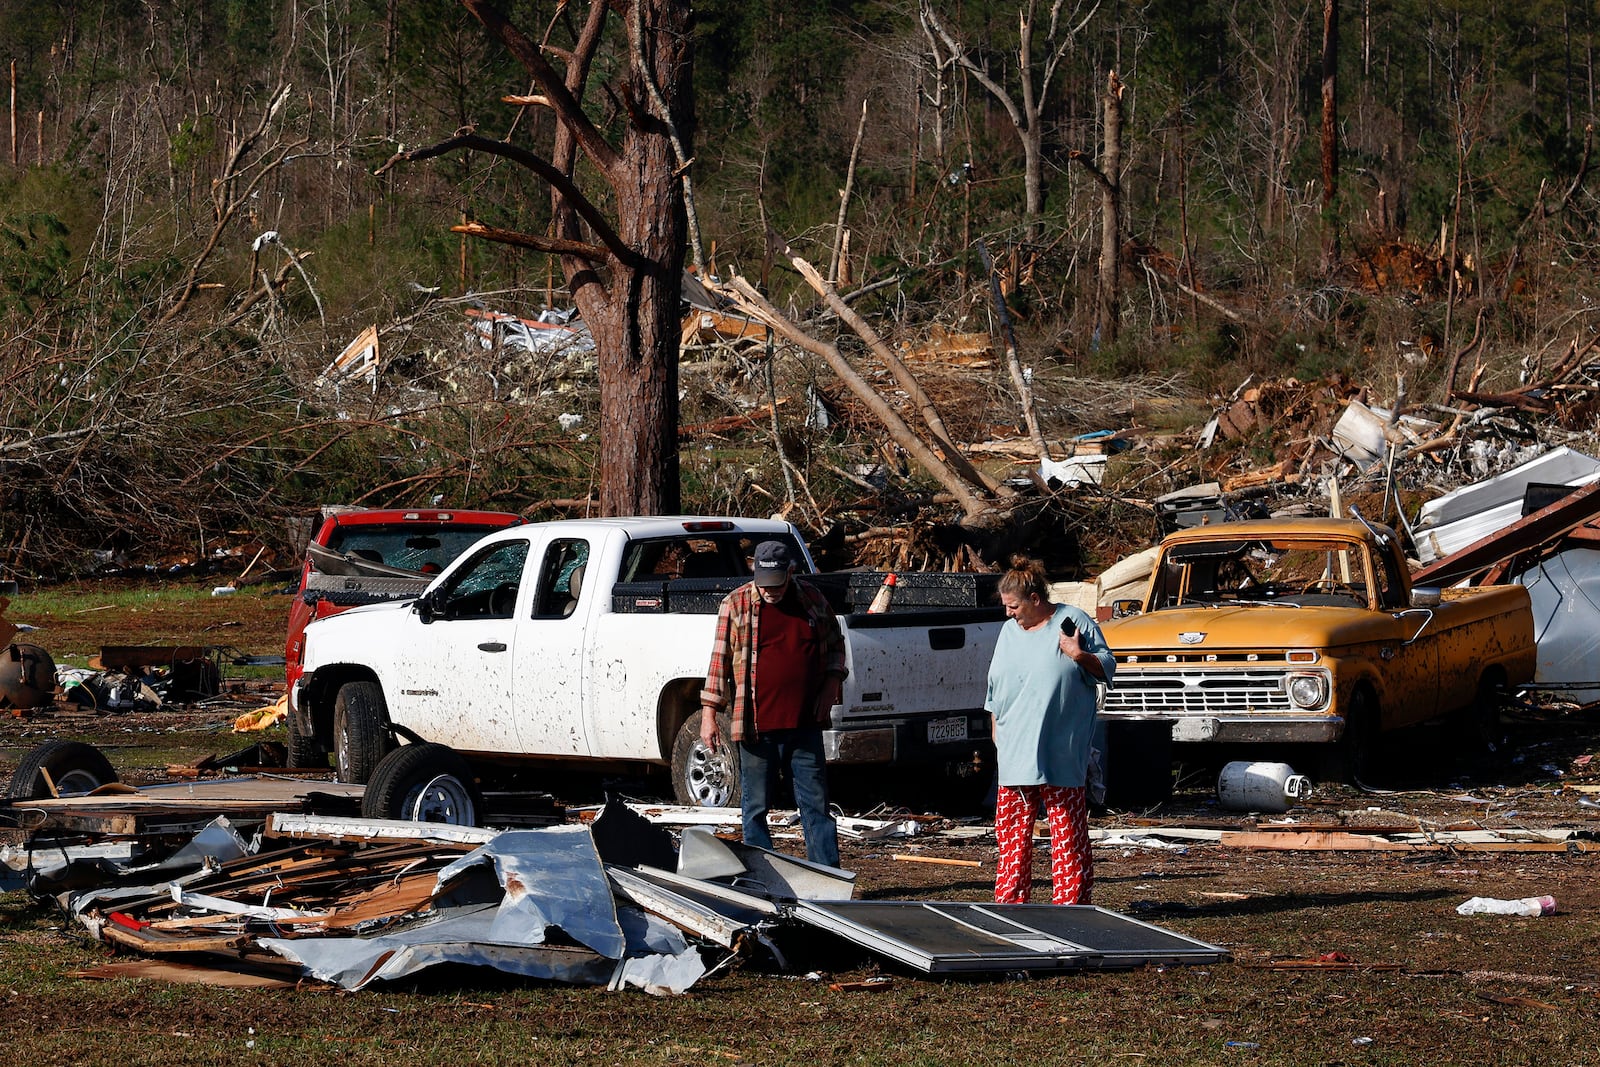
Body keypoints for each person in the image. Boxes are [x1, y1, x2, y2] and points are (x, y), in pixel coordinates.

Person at [699, 540, 847, 867]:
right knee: (755, 809)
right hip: (755, 727)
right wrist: (709, 714)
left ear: (790, 573)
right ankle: (763, 875)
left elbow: (836, 646)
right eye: (764, 585)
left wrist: (831, 684)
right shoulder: (735, 604)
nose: (770, 592)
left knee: (816, 806)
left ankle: (826, 875)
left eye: (776, 585)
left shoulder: (811, 599)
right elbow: (718, 662)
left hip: (805, 724)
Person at [986, 554, 1115, 905]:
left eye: (1013, 606)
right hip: (1015, 753)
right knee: (1011, 836)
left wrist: (1078, 655)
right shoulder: (1008, 631)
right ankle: (1010, 906)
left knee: (1068, 833)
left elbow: (1107, 669)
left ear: (1035, 600)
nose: (1008, 613)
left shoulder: (1072, 621)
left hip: (1060, 751)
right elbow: (994, 689)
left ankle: (1072, 907)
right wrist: (997, 729)